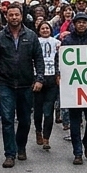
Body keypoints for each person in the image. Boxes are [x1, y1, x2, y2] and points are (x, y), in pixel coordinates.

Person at [0, 5, 45, 168]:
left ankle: (21, 146)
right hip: (6, 83)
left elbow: (38, 59)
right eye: (10, 15)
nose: (14, 17)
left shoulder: (31, 36)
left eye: (16, 15)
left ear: (21, 16)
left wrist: (39, 78)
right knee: (7, 119)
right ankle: (9, 154)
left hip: (26, 84)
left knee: (25, 120)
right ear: (6, 17)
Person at [59, 12, 87, 164]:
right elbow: (60, 58)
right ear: (74, 24)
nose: (81, 25)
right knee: (75, 121)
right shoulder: (68, 40)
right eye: (79, 22)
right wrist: (59, 75)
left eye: (84, 22)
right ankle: (77, 152)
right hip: (73, 88)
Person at [32, 20, 60, 151]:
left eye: (47, 28)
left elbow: (60, 59)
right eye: (42, 28)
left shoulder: (57, 43)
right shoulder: (34, 42)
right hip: (37, 78)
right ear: (39, 30)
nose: (44, 30)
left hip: (52, 79)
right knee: (38, 110)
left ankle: (46, 138)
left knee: (49, 111)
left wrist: (58, 74)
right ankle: (38, 130)